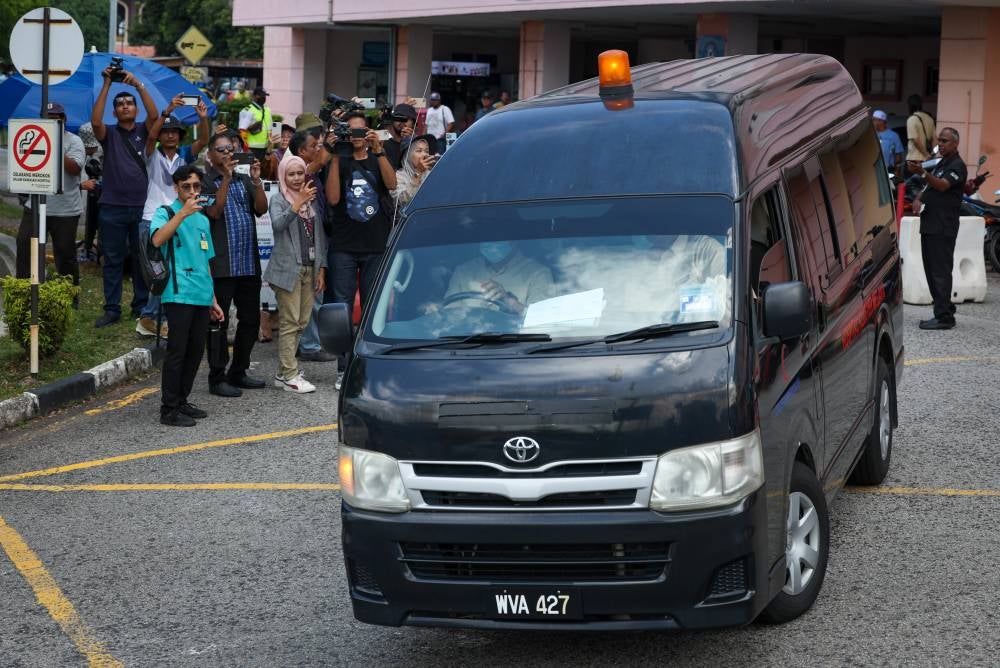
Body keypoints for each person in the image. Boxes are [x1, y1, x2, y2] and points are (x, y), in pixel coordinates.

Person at [326, 112, 398, 385]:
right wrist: (334, 155)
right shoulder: (340, 160)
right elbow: (333, 198)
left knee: (371, 307)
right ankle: (343, 366)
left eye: (361, 131)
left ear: (368, 132)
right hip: (344, 245)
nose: (356, 137)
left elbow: (391, 185)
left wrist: (379, 152)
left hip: (375, 244)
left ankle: (366, 363)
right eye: (351, 132)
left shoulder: (377, 156)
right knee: (342, 308)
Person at [150, 165, 225, 427]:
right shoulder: (167, 212)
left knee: (195, 352)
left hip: (201, 294)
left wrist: (213, 300)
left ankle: (182, 400)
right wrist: (181, 213)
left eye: (196, 186)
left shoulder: (203, 220)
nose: (192, 191)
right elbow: (157, 240)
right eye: (186, 186)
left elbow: (206, 261)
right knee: (177, 352)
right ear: (177, 188)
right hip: (178, 292)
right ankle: (168, 408)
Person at [90, 65, 160, 327]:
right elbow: (96, 121)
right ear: (115, 111)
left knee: (142, 258)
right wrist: (108, 83)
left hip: (142, 208)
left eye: (129, 103)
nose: (125, 106)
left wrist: (137, 86)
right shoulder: (109, 133)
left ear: (135, 108)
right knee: (113, 260)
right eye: (120, 104)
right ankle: (112, 308)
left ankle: (140, 305)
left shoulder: (145, 130)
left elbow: (155, 115)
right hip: (112, 207)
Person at [201, 132, 269, 397]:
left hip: (248, 263)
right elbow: (214, 213)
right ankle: (217, 378)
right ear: (211, 155)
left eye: (231, 148)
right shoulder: (206, 182)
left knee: (250, 319)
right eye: (221, 150)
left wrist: (256, 181)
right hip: (222, 265)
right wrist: (226, 179)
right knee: (218, 321)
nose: (227, 153)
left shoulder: (245, 179)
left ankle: (238, 371)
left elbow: (261, 209)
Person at [136, 94, 211, 338]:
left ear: (180, 135)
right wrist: (167, 110)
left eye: (175, 132)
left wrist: (203, 118)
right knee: (157, 269)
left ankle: (157, 317)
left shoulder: (185, 157)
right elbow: (149, 136)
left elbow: (204, 141)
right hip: (153, 216)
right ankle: (149, 317)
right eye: (166, 131)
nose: (170, 135)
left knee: (173, 269)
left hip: (181, 216)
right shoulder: (151, 154)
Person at [265, 156, 328, 392]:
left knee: (302, 322)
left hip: (310, 269)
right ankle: (290, 375)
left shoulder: (311, 200)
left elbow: (318, 237)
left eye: (300, 173)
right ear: (283, 175)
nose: (296, 178)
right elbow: (278, 225)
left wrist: (321, 268)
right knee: (290, 322)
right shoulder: (278, 200)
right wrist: (296, 203)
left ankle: (284, 371)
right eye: (291, 174)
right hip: (287, 270)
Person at [16, 103, 85, 295]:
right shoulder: (32, 138)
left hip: (65, 210)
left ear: (64, 120)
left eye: (56, 118)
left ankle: (69, 299)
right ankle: (24, 293)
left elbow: (75, 169)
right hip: (35, 207)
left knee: (65, 254)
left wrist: (55, 145)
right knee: (25, 247)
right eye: (47, 118)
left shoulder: (74, 141)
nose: (52, 122)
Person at [907, 128, 966, 330]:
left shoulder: (957, 165)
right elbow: (930, 188)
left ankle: (943, 317)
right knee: (931, 270)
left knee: (940, 272)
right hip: (930, 225)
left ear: (955, 144)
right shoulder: (941, 163)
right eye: (939, 140)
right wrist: (918, 198)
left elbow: (942, 185)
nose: (940, 144)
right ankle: (945, 306)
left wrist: (922, 172)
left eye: (945, 141)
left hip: (942, 227)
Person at [444, 242, 553, 315]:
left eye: (499, 238)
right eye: (486, 240)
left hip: (518, 343)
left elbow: (542, 319)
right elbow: (449, 314)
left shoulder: (538, 273)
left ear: (514, 241)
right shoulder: (463, 271)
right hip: (463, 343)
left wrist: (510, 302)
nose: (492, 244)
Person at [390, 134, 437, 224]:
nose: (424, 154)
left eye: (426, 151)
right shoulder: (398, 176)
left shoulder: (431, 174)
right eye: (419, 151)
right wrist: (418, 174)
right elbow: (401, 201)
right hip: (407, 225)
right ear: (407, 155)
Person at [77, 122, 103, 263]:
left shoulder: (102, 150)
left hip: (103, 192)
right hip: (93, 191)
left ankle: (98, 251)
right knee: (92, 221)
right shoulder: (87, 151)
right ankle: (89, 249)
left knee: (100, 223)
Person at [239, 87, 273, 161]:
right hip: (252, 149)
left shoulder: (268, 110)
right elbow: (242, 131)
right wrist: (246, 149)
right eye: (260, 95)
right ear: (254, 96)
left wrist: (270, 148)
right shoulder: (247, 110)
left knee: (264, 172)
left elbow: (270, 130)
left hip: (265, 150)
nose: (263, 97)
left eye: (264, 96)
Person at [382, 103, 416, 170]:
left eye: (406, 119)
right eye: (399, 118)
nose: (402, 123)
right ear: (393, 120)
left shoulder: (417, 144)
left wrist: (413, 140)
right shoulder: (383, 142)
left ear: (413, 123)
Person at [906, 94, 936, 164]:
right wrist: (933, 154)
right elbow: (935, 138)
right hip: (927, 160)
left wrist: (925, 154)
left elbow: (915, 140)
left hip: (914, 159)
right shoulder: (929, 118)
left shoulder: (911, 119)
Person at [873, 110, 904, 174]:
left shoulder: (893, 135)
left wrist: (897, 171)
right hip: (875, 171)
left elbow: (898, 155)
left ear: (882, 121)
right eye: (873, 120)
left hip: (889, 170)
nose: (874, 122)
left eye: (875, 120)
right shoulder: (872, 135)